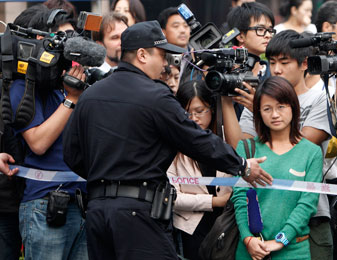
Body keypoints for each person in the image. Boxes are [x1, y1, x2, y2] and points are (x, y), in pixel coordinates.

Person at [63, 20, 272, 260]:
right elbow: (196, 139)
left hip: (97, 212)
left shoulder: (90, 95)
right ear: (142, 54)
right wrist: (242, 165)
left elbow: (71, 155)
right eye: (161, 56)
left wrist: (106, 179)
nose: (165, 64)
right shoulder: (155, 95)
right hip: (137, 213)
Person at [8, 7, 88, 260]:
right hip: (45, 205)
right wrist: (72, 99)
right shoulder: (23, 86)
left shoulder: (61, 85)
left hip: (82, 202)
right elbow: (39, 143)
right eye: (60, 40)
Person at [232, 76, 323, 260]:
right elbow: (239, 198)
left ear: (293, 107)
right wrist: (248, 239)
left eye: (281, 106)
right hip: (250, 251)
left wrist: (281, 240)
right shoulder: (247, 148)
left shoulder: (311, 152)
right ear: (258, 112)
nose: (274, 114)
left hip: (293, 251)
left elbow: (307, 204)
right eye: (267, 108)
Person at [167, 80, 232, 260]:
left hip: (228, 224)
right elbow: (172, 196)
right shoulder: (173, 146)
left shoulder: (227, 138)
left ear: (211, 108)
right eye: (187, 113)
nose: (194, 118)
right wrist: (215, 201)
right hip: (191, 228)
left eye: (199, 111)